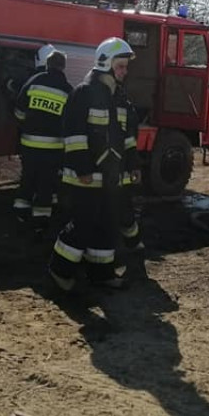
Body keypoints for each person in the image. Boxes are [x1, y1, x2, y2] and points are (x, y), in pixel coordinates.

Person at [48, 37, 136, 291]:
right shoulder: (83, 93)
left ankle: (102, 274)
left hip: (110, 178)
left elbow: (127, 138)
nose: (125, 72)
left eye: (126, 67)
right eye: (120, 66)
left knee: (106, 225)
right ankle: (59, 270)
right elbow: (74, 136)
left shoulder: (119, 98)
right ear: (106, 64)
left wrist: (133, 165)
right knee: (82, 225)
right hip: (85, 178)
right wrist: (83, 169)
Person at [12, 45, 72, 231]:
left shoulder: (33, 81)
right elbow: (71, 123)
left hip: (29, 145)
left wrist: (27, 126)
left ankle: (20, 213)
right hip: (53, 150)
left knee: (28, 178)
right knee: (46, 183)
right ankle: (40, 223)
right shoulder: (68, 90)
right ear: (63, 67)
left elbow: (19, 112)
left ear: (47, 65)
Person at [114, 80, 144, 252]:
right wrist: (134, 166)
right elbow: (131, 142)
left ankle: (132, 242)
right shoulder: (127, 108)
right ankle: (133, 242)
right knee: (124, 207)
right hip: (121, 168)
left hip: (111, 170)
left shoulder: (98, 104)